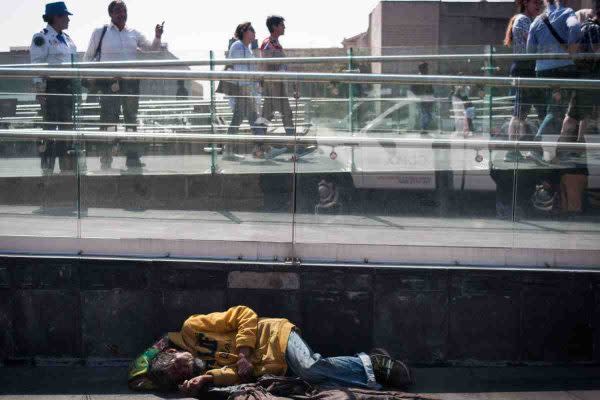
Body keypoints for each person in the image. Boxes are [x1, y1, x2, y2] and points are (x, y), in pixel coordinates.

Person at [128, 306, 412, 395]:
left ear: (169, 352)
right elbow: (138, 380)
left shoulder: (192, 328)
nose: (183, 367)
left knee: (310, 368)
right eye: (181, 373)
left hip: (275, 335)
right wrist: (208, 379)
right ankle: (372, 373)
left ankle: (372, 363)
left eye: (176, 362)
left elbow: (243, 314)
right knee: (317, 381)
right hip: (275, 366)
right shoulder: (203, 368)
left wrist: (243, 352)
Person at [83, 0, 164, 171]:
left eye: (124, 10)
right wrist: (90, 78)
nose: (122, 14)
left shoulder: (134, 33)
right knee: (108, 120)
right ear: (111, 14)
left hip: (130, 83)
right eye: (118, 11)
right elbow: (88, 57)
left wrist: (157, 36)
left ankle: (132, 158)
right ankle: (106, 158)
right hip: (108, 83)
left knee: (131, 120)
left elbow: (152, 49)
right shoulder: (100, 32)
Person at [30, 2, 77, 175]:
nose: (68, 19)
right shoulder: (41, 37)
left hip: (67, 87)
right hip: (52, 87)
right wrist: (40, 91)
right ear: (56, 17)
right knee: (50, 130)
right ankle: (47, 170)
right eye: (65, 16)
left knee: (67, 129)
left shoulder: (67, 38)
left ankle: (66, 169)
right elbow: (36, 65)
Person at [259, 16, 315, 158]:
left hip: (277, 86)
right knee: (282, 116)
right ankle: (294, 149)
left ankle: (260, 148)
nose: (284, 27)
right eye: (282, 25)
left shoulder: (275, 43)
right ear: (274, 27)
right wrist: (266, 85)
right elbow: (265, 65)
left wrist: (292, 86)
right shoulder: (269, 43)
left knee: (268, 118)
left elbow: (282, 67)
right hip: (273, 87)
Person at [503, 0, 544, 162]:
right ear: (526, 3)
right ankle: (513, 150)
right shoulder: (523, 20)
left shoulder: (527, 20)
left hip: (528, 70)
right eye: (536, 2)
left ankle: (527, 150)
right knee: (521, 112)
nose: (539, 5)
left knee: (527, 111)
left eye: (541, 2)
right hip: (525, 69)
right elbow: (532, 44)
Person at [224, 22, 261, 161]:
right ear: (244, 32)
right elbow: (241, 70)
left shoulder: (247, 48)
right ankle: (261, 148)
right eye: (252, 30)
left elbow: (251, 69)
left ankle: (230, 151)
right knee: (251, 120)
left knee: (243, 119)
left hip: (245, 90)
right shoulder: (238, 46)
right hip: (242, 90)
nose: (254, 33)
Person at [410, 62, 435, 134]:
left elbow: (430, 88)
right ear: (422, 69)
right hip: (423, 98)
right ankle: (423, 128)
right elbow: (413, 88)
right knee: (425, 114)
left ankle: (424, 128)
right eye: (426, 68)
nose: (427, 69)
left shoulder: (426, 77)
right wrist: (419, 95)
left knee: (428, 114)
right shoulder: (419, 77)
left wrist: (431, 94)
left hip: (428, 98)